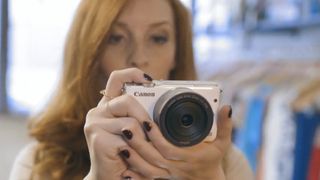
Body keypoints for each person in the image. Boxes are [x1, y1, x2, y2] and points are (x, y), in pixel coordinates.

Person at [10, 0, 253, 179]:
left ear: (176, 55)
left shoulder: (223, 163)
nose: (138, 58)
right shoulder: (39, 165)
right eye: (116, 38)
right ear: (90, 56)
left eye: (158, 38)